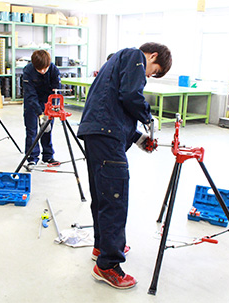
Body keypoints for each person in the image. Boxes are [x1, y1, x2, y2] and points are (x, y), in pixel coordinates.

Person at [77, 42, 172, 289]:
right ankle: (108, 266)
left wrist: (140, 138)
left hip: (97, 135)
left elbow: (115, 108)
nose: (149, 76)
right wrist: (149, 118)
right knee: (115, 201)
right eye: (153, 71)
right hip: (106, 138)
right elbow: (131, 95)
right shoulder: (134, 56)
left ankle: (102, 247)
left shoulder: (115, 64)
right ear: (151, 56)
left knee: (102, 196)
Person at [22, 50, 61, 170]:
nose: (43, 71)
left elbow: (56, 91)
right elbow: (30, 95)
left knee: (47, 129)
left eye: (45, 68)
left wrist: (53, 108)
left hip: (47, 101)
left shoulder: (54, 70)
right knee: (32, 130)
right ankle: (32, 158)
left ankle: (48, 156)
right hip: (32, 102)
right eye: (40, 69)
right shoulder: (28, 71)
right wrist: (40, 114)